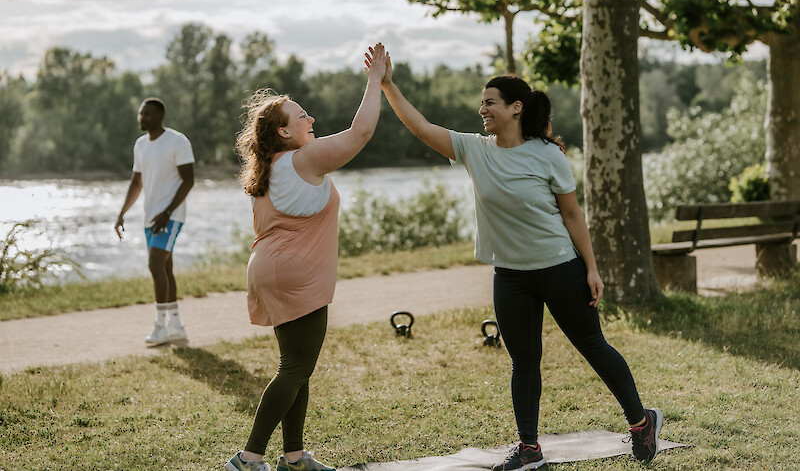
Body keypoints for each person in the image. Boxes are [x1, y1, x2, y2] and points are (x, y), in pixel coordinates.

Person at [372, 62, 663, 469]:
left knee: (592, 346)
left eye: (490, 102)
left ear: (516, 108)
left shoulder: (547, 155)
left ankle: (641, 422)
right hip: (509, 275)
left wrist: (591, 269)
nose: (482, 110)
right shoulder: (475, 150)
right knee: (523, 361)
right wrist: (387, 84)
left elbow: (573, 216)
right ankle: (529, 449)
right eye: (482, 103)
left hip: (559, 267)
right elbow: (420, 126)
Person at [225, 43, 388, 471]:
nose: (311, 119)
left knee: (298, 367)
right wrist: (375, 81)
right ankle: (248, 458)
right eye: (302, 117)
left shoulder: (272, 167)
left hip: (271, 269)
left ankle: (294, 458)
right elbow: (361, 135)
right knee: (295, 367)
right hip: (293, 274)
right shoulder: (304, 159)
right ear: (283, 132)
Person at [114, 97, 195, 346]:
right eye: (140, 114)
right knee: (165, 269)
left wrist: (168, 212)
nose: (142, 118)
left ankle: (160, 327)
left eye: (147, 114)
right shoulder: (140, 145)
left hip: (170, 216)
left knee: (155, 264)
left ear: (160, 116)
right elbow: (136, 182)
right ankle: (177, 325)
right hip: (150, 216)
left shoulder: (177, 141)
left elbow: (188, 180)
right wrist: (122, 212)